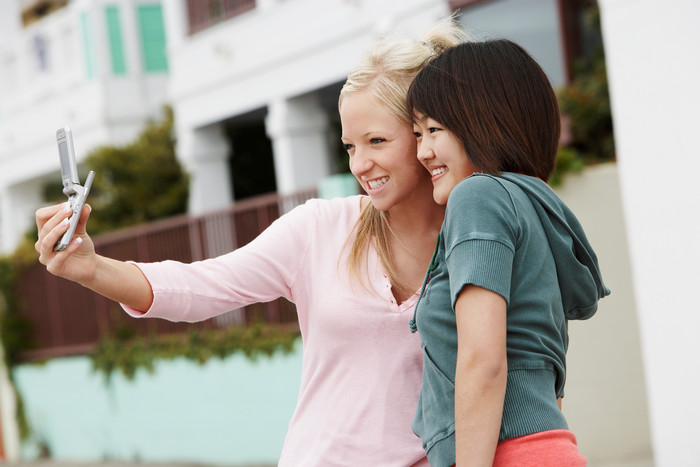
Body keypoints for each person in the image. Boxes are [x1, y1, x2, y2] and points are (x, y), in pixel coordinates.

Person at [34, 19, 468, 467]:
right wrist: (91, 268)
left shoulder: (476, 243)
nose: (361, 164)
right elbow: (202, 286)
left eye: (376, 141)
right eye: (349, 146)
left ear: (425, 136)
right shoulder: (319, 228)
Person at [405, 39, 610, 466]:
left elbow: (484, 361)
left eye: (434, 130)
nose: (422, 151)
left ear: (481, 122)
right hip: (546, 447)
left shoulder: (478, 197)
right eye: (417, 134)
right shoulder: (534, 207)